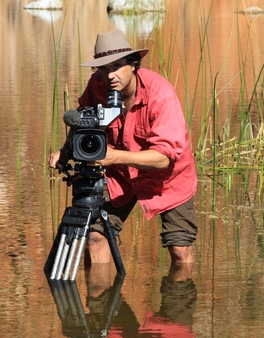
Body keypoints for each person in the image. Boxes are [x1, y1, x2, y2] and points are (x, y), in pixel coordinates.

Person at [48, 28, 198, 264]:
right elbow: (81, 119)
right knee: (95, 238)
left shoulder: (161, 96)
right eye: (104, 68)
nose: (109, 75)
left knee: (179, 251)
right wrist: (66, 151)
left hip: (167, 180)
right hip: (117, 175)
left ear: (134, 64)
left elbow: (164, 158)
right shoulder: (97, 85)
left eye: (116, 66)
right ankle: (101, 300)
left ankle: (179, 299)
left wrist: (114, 157)